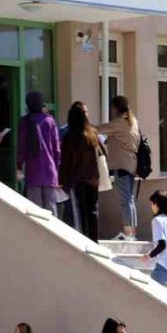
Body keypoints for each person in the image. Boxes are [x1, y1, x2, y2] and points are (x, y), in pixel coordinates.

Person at [96, 95, 140, 240]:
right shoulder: (132, 122)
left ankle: (128, 234)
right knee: (130, 199)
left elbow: (99, 129)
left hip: (121, 165)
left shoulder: (119, 123)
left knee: (125, 200)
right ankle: (132, 233)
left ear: (115, 108)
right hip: (131, 165)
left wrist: (84, 125)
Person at [59, 101, 101, 242]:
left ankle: (84, 241)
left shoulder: (70, 137)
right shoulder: (93, 133)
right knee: (92, 211)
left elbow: (66, 162)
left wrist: (61, 180)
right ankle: (94, 241)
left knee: (80, 213)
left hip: (77, 180)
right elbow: (103, 153)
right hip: (93, 179)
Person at [17, 91, 61, 215]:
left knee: (35, 213)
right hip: (49, 171)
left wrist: (19, 166)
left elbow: (21, 146)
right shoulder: (49, 121)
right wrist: (57, 170)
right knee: (51, 212)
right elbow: (56, 149)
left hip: (32, 172)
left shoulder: (24, 122)